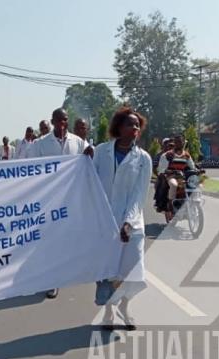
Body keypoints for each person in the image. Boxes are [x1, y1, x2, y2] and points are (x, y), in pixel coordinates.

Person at [92, 107, 151, 330]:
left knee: (131, 270)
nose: (135, 128)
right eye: (130, 124)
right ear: (119, 127)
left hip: (132, 225)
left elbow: (139, 195)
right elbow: (90, 182)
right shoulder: (101, 152)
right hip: (105, 222)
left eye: (137, 125)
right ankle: (108, 311)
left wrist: (128, 222)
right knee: (108, 270)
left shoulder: (143, 159)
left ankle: (125, 307)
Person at [29, 108, 92, 299]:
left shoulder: (78, 141)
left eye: (66, 120)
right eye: (59, 120)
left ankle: (63, 273)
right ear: (53, 122)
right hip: (48, 199)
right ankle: (51, 280)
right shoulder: (40, 144)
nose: (63, 124)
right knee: (50, 239)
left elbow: (90, 159)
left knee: (66, 238)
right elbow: (31, 170)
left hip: (71, 198)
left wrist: (91, 152)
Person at [157, 134, 196, 221]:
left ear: (184, 143)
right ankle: (170, 205)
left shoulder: (186, 155)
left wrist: (199, 171)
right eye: (177, 142)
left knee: (197, 185)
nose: (179, 143)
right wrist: (172, 171)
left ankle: (192, 205)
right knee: (174, 185)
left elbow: (192, 167)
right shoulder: (168, 155)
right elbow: (162, 170)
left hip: (183, 177)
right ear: (174, 143)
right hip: (171, 176)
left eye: (181, 141)